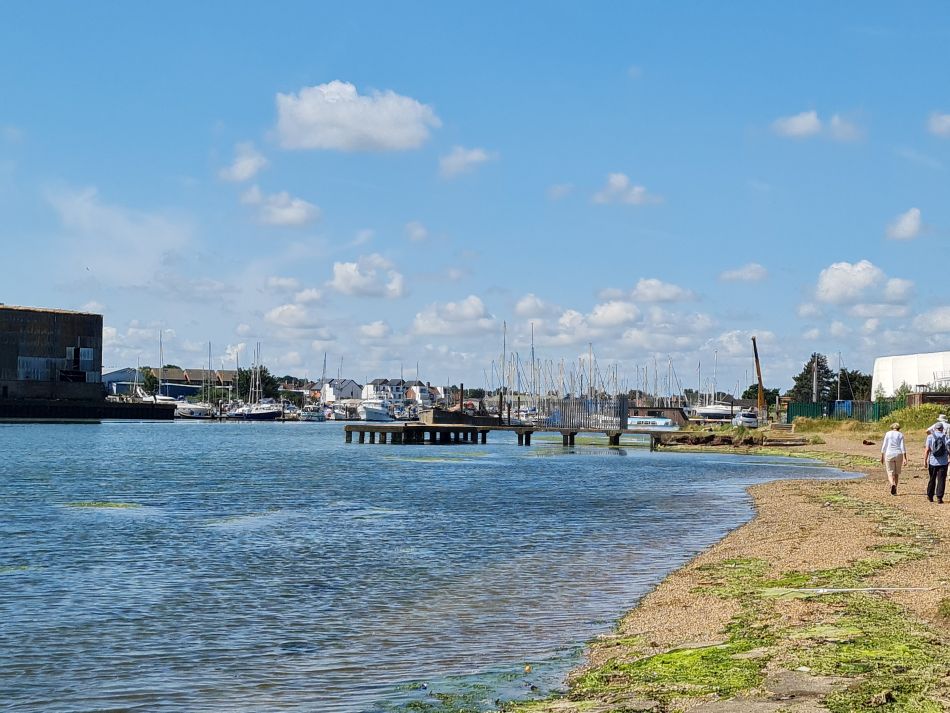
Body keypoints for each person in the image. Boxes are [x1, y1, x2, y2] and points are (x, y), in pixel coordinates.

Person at [925, 422, 949, 504]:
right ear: (942, 429)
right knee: (941, 480)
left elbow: (927, 450)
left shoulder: (930, 437)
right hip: (943, 462)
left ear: (935, 429)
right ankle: (939, 497)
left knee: (932, 478)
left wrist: (925, 460)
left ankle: (930, 496)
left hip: (933, 461)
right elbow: (948, 449)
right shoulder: (946, 437)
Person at [880, 422, 907, 495]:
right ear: (898, 428)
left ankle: (892, 484)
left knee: (890, 472)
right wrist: (905, 458)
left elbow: (884, 445)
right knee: (896, 473)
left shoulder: (888, 433)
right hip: (898, 454)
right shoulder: (900, 434)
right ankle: (895, 489)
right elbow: (902, 446)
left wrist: (882, 456)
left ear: (892, 428)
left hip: (889, 453)